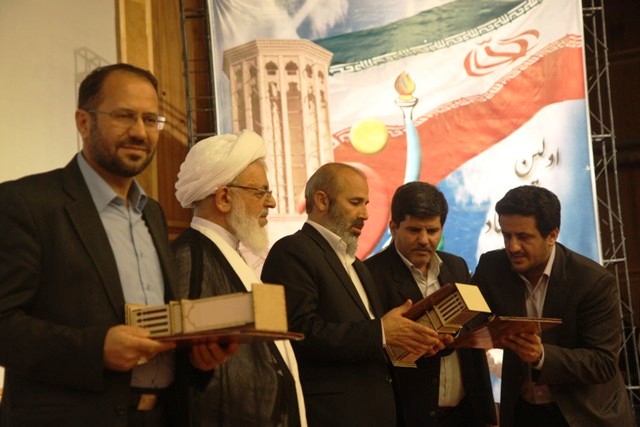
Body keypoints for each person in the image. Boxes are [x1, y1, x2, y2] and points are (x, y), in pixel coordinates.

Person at [0, 63, 235, 427]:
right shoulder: (26, 204)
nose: (139, 132)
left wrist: (197, 359)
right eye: (124, 116)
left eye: (150, 119)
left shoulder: (152, 213)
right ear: (84, 122)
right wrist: (95, 350)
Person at [261, 162, 445, 427]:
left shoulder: (356, 264)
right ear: (322, 201)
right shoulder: (292, 251)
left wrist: (410, 340)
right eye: (355, 203)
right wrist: (381, 332)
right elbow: (297, 333)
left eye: (366, 204)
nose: (365, 214)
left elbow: (366, 340)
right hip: (331, 415)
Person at [172, 130, 307, 427]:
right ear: (224, 198)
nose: (271, 202)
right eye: (261, 192)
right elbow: (195, 373)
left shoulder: (230, 253)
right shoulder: (190, 259)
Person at [472, 185, 634, 427]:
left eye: (523, 237)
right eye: (506, 236)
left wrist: (541, 356)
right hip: (522, 412)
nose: (512, 247)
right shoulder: (492, 268)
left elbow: (602, 363)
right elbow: (469, 319)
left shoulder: (593, 281)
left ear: (552, 235)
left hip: (585, 415)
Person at [365, 181, 497, 427]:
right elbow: (366, 346)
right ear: (393, 227)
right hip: (407, 416)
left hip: (466, 413)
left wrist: (454, 333)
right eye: (414, 230)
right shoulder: (370, 274)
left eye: (433, 230)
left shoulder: (456, 266)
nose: (424, 240)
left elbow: (475, 323)